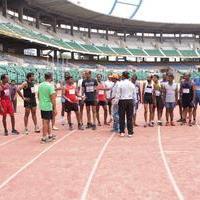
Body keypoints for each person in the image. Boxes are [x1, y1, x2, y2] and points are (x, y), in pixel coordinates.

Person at [116, 71, 136, 137]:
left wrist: (116, 102)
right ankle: (130, 132)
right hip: (130, 100)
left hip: (122, 101)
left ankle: (122, 132)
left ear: (123, 76)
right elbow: (134, 94)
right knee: (129, 117)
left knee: (121, 117)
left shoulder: (120, 84)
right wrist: (134, 102)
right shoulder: (132, 84)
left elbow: (118, 94)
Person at [38, 73, 57, 143]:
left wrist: (42, 101)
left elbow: (38, 95)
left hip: (42, 105)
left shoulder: (40, 85)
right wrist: (55, 108)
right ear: (51, 77)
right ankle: (44, 137)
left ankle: (50, 135)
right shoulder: (50, 86)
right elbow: (53, 98)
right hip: (48, 106)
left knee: (46, 121)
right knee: (46, 122)